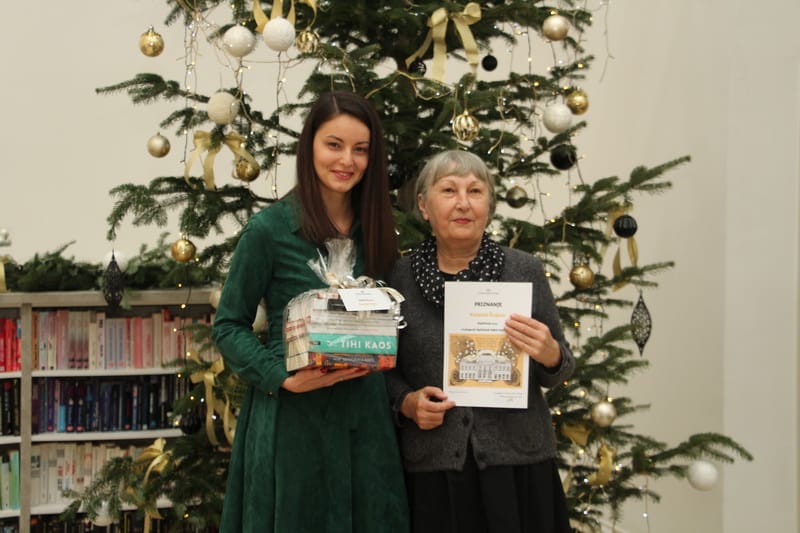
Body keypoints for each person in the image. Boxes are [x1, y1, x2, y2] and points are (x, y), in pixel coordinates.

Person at [211, 91, 409, 533]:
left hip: (366, 421)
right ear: (310, 147)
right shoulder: (269, 231)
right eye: (334, 144)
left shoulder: (377, 230)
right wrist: (281, 377)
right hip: (294, 420)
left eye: (361, 149)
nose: (347, 160)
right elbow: (227, 325)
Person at [385, 149, 575, 533]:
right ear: (423, 205)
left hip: (518, 466)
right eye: (448, 190)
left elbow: (558, 370)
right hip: (434, 467)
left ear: (489, 204)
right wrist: (406, 402)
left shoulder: (524, 269)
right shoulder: (398, 278)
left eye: (475, 191)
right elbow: (384, 368)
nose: (463, 203)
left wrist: (551, 354)